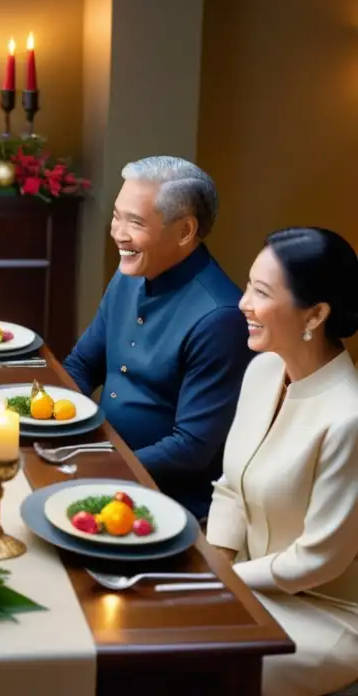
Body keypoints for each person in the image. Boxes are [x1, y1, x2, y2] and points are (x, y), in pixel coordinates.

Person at [206, 227, 358, 696]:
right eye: (249, 284)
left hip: (326, 611)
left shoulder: (348, 418)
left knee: (195, 660)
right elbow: (232, 486)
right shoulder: (265, 368)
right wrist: (212, 564)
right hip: (249, 581)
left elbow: (317, 561)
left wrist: (218, 579)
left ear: (315, 314)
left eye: (261, 291)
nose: (242, 303)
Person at [63, 156, 252, 519]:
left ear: (185, 232)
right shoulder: (130, 273)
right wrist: (47, 423)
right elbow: (83, 365)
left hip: (164, 502)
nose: (118, 232)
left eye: (135, 222)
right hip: (102, 464)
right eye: (117, 216)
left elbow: (190, 449)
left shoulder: (221, 318)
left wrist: (100, 465)